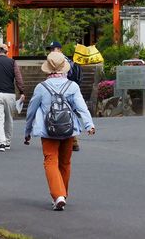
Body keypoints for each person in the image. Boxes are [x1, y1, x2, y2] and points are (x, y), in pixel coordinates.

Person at [24, 51, 95, 211]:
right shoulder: (72, 86)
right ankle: (62, 195)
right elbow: (81, 107)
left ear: (48, 68)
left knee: (50, 160)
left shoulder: (41, 87)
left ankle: (58, 196)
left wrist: (27, 131)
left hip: (48, 131)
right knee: (65, 162)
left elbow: (31, 111)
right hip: (68, 129)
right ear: (64, 67)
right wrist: (89, 124)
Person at [46, 40, 83, 151]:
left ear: (59, 49)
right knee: (68, 114)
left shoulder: (61, 61)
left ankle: (70, 140)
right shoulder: (65, 59)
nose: (51, 51)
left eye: (53, 49)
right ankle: (73, 141)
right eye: (50, 49)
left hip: (62, 90)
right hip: (69, 89)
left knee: (58, 114)